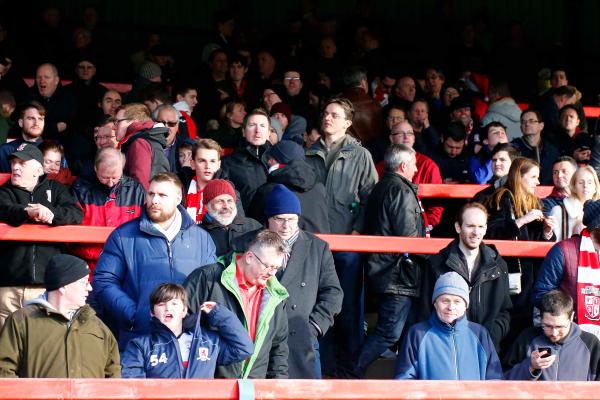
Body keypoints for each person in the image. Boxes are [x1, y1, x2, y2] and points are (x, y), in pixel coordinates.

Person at [92, 172, 216, 349]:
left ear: (178, 198)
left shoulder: (202, 239)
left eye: (162, 195)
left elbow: (211, 286)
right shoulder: (123, 236)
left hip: (189, 339)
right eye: (151, 194)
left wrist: (195, 317)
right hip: (140, 338)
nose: (154, 200)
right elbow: (104, 281)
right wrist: (135, 314)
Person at [305, 96, 377, 377]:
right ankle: (323, 370)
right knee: (318, 306)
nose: (327, 118)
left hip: (349, 242)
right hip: (315, 244)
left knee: (347, 310)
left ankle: (349, 373)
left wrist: (358, 231)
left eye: (334, 115)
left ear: (348, 123)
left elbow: (370, 198)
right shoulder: (309, 154)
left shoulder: (361, 156)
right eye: (325, 113)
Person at [354, 144, 425, 377]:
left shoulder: (381, 187)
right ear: (404, 165)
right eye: (413, 164)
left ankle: (404, 376)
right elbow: (409, 236)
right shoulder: (401, 191)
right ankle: (351, 373)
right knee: (389, 332)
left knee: (405, 330)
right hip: (397, 273)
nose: (415, 169)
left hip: (384, 269)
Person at [258, 185, 342, 378]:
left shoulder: (318, 248)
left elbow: (333, 292)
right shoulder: (252, 244)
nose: (286, 225)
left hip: (302, 337)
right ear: (269, 219)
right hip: (262, 338)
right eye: (279, 219)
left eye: (292, 219)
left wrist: (314, 327)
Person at [184, 230, 290, 379]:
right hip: (209, 384)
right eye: (268, 266)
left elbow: (278, 348)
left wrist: (278, 386)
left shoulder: (276, 295)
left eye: (276, 268)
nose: (272, 273)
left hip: (254, 388)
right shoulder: (206, 278)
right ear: (249, 257)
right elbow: (181, 326)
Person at [0, 143, 83, 327]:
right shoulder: (4, 191)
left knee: (42, 348)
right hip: (8, 286)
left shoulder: (57, 189)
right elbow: (4, 209)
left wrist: (51, 213)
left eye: (22, 163)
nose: (15, 167)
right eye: (13, 162)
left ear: (38, 169)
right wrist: (27, 212)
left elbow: (76, 214)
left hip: (47, 287)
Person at [0, 254, 120, 378]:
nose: (89, 288)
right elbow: (4, 370)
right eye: (84, 282)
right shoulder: (21, 322)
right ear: (63, 286)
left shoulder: (100, 329)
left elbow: (114, 379)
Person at [420, 203, 512, 350]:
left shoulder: (499, 265)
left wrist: (490, 336)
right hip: (445, 347)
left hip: (485, 348)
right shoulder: (436, 263)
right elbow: (425, 310)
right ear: (458, 227)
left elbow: (504, 311)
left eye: (481, 227)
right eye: (470, 226)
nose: (476, 232)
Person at [484, 157, 556, 345]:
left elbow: (539, 241)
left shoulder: (534, 201)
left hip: (529, 276)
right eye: (533, 177)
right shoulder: (501, 197)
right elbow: (491, 232)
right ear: (519, 177)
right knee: (505, 323)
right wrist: (522, 220)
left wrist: (548, 233)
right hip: (506, 272)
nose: (538, 182)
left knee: (525, 325)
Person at [120, 283, 253, 378]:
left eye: (174, 303)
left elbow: (244, 348)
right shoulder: (140, 346)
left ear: (184, 311)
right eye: (161, 304)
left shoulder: (207, 341)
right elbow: (132, 387)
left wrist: (219, 313)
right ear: (152, 313)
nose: (168, 308)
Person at [394, 271, 503, 380]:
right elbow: (405, 379)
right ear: (435, 303)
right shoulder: (417, 334)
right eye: (445, 301)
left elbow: (495, 378)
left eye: (457, 301)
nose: (451, 307)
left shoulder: (480, 334)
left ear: (466, 305)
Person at [70, 147, 146, 273]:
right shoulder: (80, 189)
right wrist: (103, 255)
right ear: (95, 168)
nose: (110, 183)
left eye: (115, 177)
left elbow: (144, 228)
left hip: (127, 265)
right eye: (105, 177)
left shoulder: (136, 190)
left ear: (122, 168)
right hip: (88, 266)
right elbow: (71, 232)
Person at [533, 199, 600, 333]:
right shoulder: (563, 251)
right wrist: (566, 316)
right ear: (596, 227)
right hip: (568, 332)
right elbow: (541, 294)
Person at [504, 290, 600, 381]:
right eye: (547, 326)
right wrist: (530, 366)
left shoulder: (590, 343)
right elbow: (504, 378)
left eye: (560, 327)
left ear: (571, 317)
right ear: (540, 318)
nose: (554, 333)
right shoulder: (527, 338)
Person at [248, 140, 330, 233]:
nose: (269, 162)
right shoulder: (319, 188)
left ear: (275, 161)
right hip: (318, 245)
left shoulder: (268, 190)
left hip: (281, 245)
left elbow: (253, 225)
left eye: (270, 159)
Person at [220, 108, 271, 209]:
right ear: (243, 131)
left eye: (262, 126)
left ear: (269, 132)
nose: (257, 130)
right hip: (246, 223)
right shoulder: (228, 163)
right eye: (252, 125)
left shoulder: (278, 160)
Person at [115, 103, 170, 190]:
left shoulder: (139, 143)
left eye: (118, 121)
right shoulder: (146, 139)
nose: (115, 127)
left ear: (134, 121)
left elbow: (140, 185)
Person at [201, 179, 262, 257]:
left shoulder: (253, 226)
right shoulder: (198, 234)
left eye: (230, 201)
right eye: (220, 201)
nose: (226, 206)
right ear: (206, 206)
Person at [549, 166, 600, 241]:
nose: (585, 186)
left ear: (595, 187)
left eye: (590, 182)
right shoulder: (558, 211)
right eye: (580, 182)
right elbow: (553, 245)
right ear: (574, 187)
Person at [511, 109, 560, 185]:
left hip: (548, 193)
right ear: (521, 127)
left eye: (531, 121)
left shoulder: (552, 150)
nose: (527, 124)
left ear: (541, 126)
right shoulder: (513, 148)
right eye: (523, 122)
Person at [0, 102, 45, 172]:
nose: (36, 123)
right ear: (21, 123)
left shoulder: (53, 150)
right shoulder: (5, 150)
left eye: (40, 119)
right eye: (31, 118)